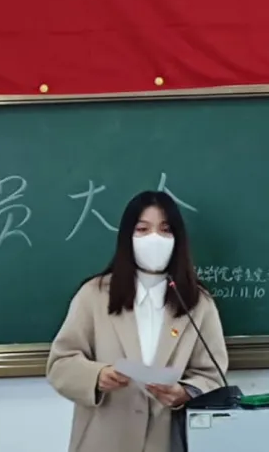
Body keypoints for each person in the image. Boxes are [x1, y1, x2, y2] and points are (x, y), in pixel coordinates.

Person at [46, 190, 228, 452]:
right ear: (127, 237)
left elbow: (212, 375)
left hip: (168, 440)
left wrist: (184, 392)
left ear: (178, 238)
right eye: (143, 229)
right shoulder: (94, 295)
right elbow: (60, 364)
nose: (154, 239)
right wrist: (97, 376)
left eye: (165, 230)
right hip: (104, 439)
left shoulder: (198, 302)